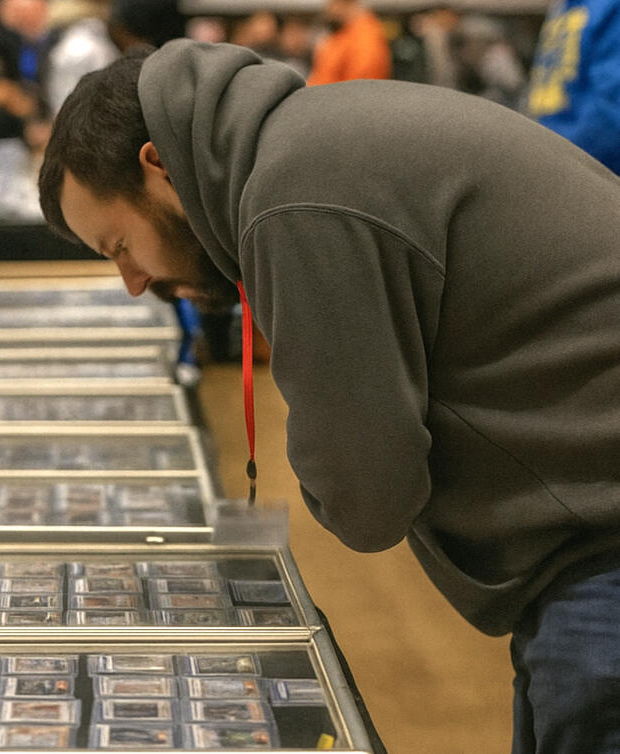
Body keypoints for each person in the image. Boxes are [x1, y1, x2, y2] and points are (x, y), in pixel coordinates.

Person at [39, 41, 620, 752]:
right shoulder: (312, 141)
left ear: (157, 167)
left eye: (118, 245)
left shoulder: (294, 194)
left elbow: (368, 494)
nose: (132, 281)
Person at [526, 0, 620, 175]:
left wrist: (551, 159)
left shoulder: (608, 7)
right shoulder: (567, 6)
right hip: (558, 154)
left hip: (589, 170)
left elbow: (611, 114)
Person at [306, 0, 391, 84]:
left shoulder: (365, 37)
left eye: (331, 4)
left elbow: (359, 84)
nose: (328, 10)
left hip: (339, 96)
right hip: (324, 94)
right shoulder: (345, 33)